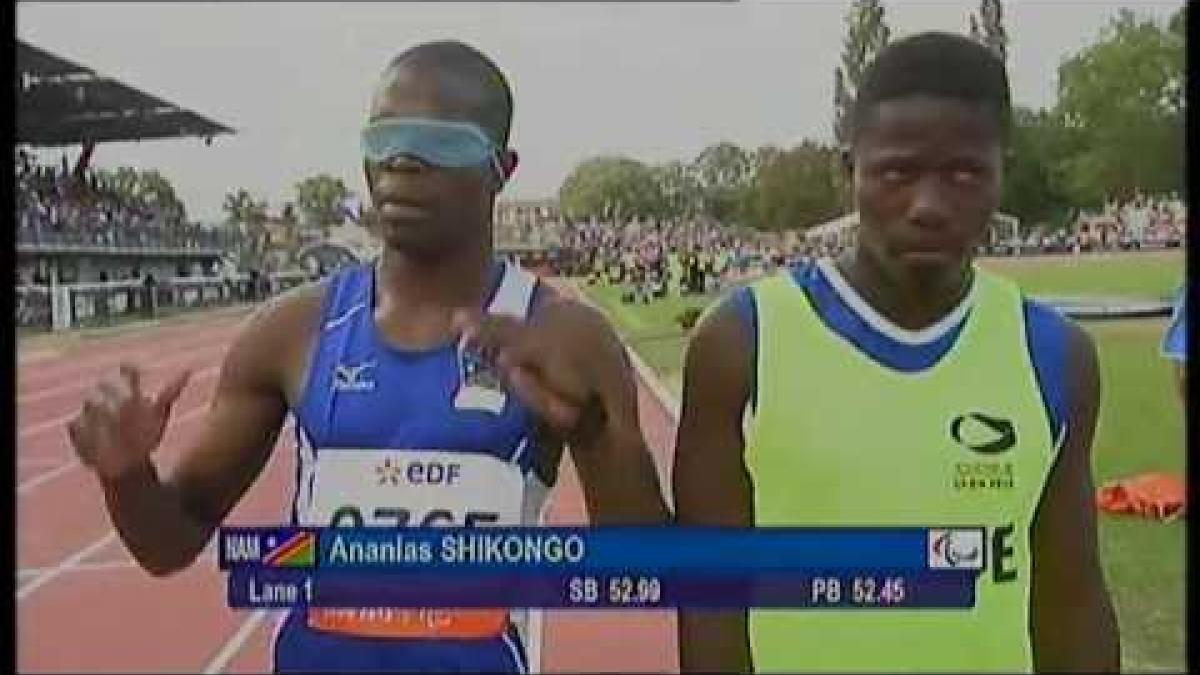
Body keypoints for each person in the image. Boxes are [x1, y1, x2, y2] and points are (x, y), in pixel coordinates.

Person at [67, 40, 668, 674]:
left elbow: (639, 573)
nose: (401, 162)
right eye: (384, 140)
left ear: (502, 167)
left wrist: (596, 431)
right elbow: (169, 541)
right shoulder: (290, 332)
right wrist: (126, 475)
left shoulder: (568, 340)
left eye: (438, 143)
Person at [672, 32, 1119, 673]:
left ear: (1002, 172)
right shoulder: (742, 342)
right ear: (848, 168)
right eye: (897, 172)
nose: (929, 206)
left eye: (965, 173)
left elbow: (1070, 598)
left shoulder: (1054, 353)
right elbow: (711, 600)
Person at [1162, 285, 1186, 400]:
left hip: (1179, 337)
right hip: (1178, 337)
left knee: (1181, 375)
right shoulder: (1181, 290)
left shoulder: (1181, 291)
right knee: (1179, 375)